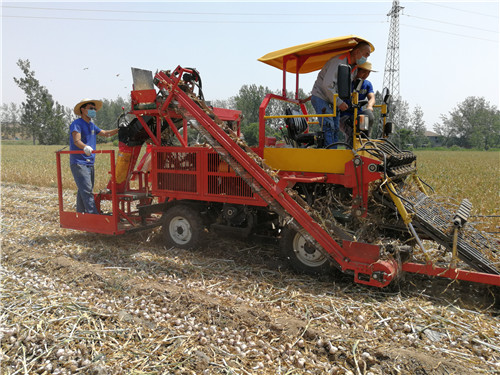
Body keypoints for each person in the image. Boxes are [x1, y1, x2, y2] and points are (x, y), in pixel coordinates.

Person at [311, 41, 372, 148]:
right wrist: (339, 102)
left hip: (332, 100)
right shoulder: (338, 62)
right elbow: (327, 85)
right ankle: (330, 157)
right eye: (366, 54)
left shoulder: (353, 68)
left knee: (334, 128)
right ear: (357, 52)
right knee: (328, 127)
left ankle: (333, 154)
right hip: (322, 97)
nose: (366, 58)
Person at [70, 99, 118, 214]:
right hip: (79, 162)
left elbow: (106, 133)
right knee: (87, 191)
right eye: (91, 108)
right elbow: (77, 141)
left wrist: (120, 129)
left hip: (89, 162)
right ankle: (94, 216)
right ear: (83, 110)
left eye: (94, 109)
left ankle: (80, 215)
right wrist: (85, 147)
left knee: (84, 190)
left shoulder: (91, 125)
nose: (93, 111)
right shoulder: (76, 124)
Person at [340, 61, 377, 144]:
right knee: (352, 132)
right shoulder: (347, 82)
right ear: (356, 70)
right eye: (363, 72)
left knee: (368, 115)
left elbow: (372, 97)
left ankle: (365, 145)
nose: (365, 75)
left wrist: (370, 105)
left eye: (368, 73)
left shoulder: (367, 84)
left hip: (359, 116)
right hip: (345, 115)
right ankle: (350, 151)